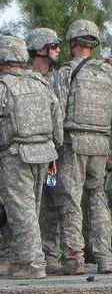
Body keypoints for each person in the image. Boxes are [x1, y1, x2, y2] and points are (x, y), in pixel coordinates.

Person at [53, 19, 112, 275]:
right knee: (99, 199)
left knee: (70, 200)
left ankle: (75, 259)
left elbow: (56, 111)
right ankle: (105, 258)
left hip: (73, 143)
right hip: (101, 145)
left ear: (73, 41)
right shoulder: (108, 72)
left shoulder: (66, 72)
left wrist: (53, 147)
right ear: (94, 43)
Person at [0, 35, 62, 279]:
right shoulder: (40, 83)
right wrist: (53, 152)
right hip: (43, 152)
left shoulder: (4, 86)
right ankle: (18, 261)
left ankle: (33, 264)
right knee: (30, 208)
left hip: (15, 154)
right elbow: (56, 120)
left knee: (20, 209)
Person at [26, 28, 63, 274]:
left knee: (52, 204)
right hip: (21, 152)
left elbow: (58, 117)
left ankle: (49, 256)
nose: (59, 50)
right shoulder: (22, 78)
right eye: (54, 45)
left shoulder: (59, 78)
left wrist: (55, 152)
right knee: (21, 206)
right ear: (40, 49)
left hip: (50, 151)